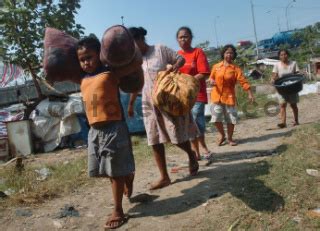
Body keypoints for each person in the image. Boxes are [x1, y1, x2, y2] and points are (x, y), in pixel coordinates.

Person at [127, 27, 199, 190]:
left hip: (168, 101)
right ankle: (164, 177)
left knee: (176, 137)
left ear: (140, 39)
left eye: (133, 44)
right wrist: (131, 105)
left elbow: (179, 59)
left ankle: (191, 155)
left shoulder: (159, 49)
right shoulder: (134, 61)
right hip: (148, 104)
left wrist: (174, 67)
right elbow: (135, 84)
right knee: (154, 140)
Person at [77, 36, 135, 229]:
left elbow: (137, 62)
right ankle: (128, 174)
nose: (86, 62)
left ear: (99, 55)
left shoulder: (111, 73)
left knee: (114, 172)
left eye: (90, 57)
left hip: (113, 128)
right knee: (106, 170)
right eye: (82, 59)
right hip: (94, 131)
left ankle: (118, 210)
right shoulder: (83, 79)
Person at [176, 26, 212, 160]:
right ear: (177, 40)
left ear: (191, 38)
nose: (183, 39)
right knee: (188, 123)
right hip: (183, 97)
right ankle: (196, 151)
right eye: (180, 37)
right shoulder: (177, 55)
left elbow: (204, 73)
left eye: (186, 36)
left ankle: (203, 148)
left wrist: (188, 81)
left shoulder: (198, 52)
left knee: (197, 120)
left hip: (198, 94)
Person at [209, 44, 254, 146]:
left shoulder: (236, 69)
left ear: (234, 55)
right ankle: (222, 135)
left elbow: (243, 82)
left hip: (229, 97)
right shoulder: (216, 67)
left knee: (231, 119)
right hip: (216, 96)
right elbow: (211, 78)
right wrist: (211, 81)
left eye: (231, 53)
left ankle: (229, 138)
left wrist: (250, 93)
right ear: (223, 54)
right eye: (227, 53)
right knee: (216, 119)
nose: (229, 55)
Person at [271, 49, 300, 128]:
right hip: (282, 87)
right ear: (279, 56)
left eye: (285, 54)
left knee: (293, 105)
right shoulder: (277, 65)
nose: (283, 56)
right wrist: (274, 79)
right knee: (282, 105)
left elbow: (297, 74)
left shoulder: (293, 63)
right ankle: (283, 123)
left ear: (288, 55)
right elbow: (274, 75)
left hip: (292, 87)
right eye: (281, 55)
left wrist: (300, 76)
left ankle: (296, 121)